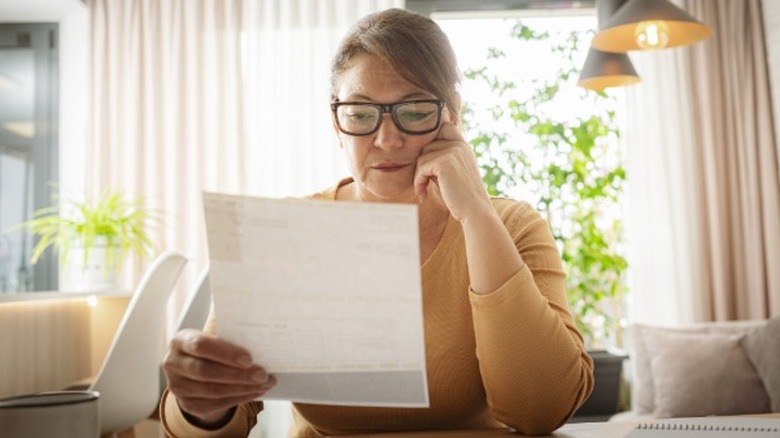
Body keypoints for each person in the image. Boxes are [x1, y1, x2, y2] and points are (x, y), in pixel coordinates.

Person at [160, 8, 594, 437]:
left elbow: (541, 410)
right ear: (336, 123)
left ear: (452, 113)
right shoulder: (284, 232)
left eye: (414, 109)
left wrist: (477, 215)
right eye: (362, 114)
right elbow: (215, 415)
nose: (387, 140)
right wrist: (202, 406)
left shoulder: (513, 225)